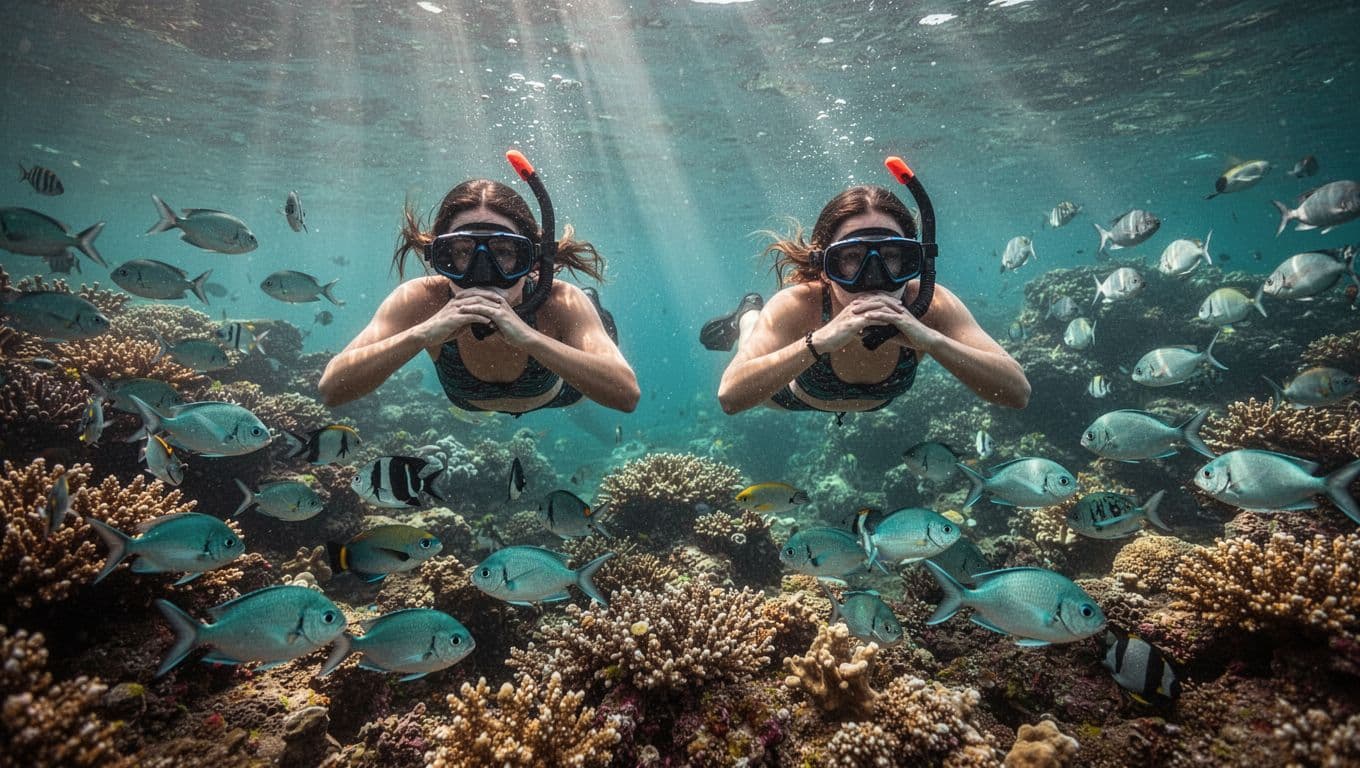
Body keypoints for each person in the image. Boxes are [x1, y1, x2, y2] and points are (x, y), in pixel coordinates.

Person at [704, 159, 1029, 417]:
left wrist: (930, 339)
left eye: (891, 257)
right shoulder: (800, 305)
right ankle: (748, 313)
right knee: (752, 333)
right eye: (851, 259)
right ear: (825, 269)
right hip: (790, 399)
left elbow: (1018, 392)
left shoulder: (929, 305)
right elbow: (731, 397)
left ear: (913, 261)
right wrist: (820, 341)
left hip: (878, 401)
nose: (873, 278)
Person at [319, 158, 639, 414]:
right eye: (462, 253)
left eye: (504, 252)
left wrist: (529, 338)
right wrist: (422, 333)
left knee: (586, 314)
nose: (483, 274)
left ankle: (593, 312)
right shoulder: (422, 301)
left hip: (563, 396)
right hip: (471, 402)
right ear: (440, 257)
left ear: (532, 260)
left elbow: (626, 395)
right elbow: (331, 388)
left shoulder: (557, 302)